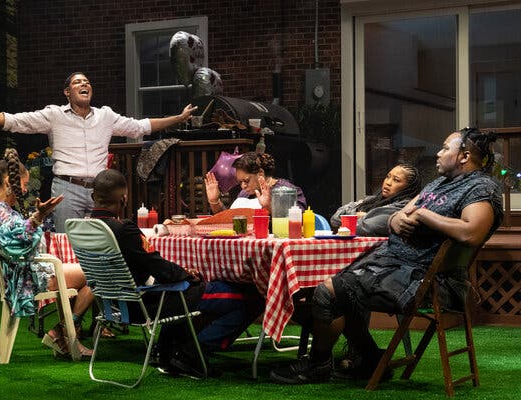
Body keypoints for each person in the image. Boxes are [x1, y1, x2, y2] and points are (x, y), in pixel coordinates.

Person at [270, 127, 503, 384]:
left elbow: (471, 233)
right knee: (334, 288)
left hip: (427, 279)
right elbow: (404, 212)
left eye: (446, 148)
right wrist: (395, 218)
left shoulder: (481, 188)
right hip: (396, 265)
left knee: (329, 292)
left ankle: (318, 365)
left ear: (464, 156)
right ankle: (370, 359)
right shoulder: (440, 183)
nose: (438, 153)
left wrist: (425, 215)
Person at [0, 72, 197, 232]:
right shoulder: (53, 115)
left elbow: (142, 126)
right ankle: (65, 320)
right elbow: (11, 120)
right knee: (66, 246)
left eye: (87, 82)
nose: (84, 84)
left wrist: (178, 117)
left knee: (102, 246)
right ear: (67, 92)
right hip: (66, 189)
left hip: (100, 192)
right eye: (77, 82)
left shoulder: (106, 116)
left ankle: (101, 318)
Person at [0, 148, 94, 358]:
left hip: (25, 272)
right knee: (96, 274)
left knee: (80, 273)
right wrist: (39, 216)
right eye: (24, 185)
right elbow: (16, 239)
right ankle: (62, 332)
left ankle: (61, 333)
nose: (25, 191)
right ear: (10, 182)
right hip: (29, 278)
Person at [89, 169, 207, 377]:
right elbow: (156, 266)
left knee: (174, 286)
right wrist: (187, 274)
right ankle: (178, 352)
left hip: (108, 305)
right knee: (194, 286)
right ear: (124, 200)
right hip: (137, 307)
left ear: (93, 197)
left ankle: (167, 350)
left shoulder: (83, 228)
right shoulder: (125, 229)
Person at [330, 163, 422, 236]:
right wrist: (359, 215)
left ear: (408, 187)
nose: (388, 183)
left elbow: (363, 228)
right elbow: (335, 219)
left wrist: (362, 216)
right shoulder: (373, 200)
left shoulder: (402, 207)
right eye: (388, 176)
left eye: (396, 180)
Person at [204, 151, 307, 214]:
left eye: (246, 181)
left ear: (260, 173)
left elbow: (299, 221)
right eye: (240, 182)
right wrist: (215, 202)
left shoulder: (287, 191)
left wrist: (269, 207)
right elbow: (230, 223)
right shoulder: (244, 194)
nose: (243, 186)